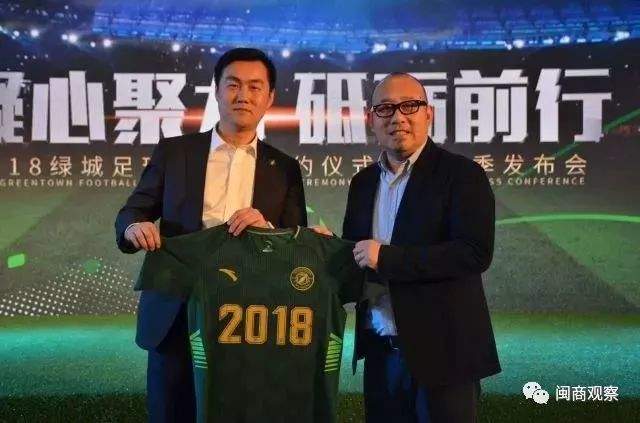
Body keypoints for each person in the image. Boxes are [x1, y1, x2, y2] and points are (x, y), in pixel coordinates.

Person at [114, 47, 307, 423]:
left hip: (251, 318)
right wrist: (134, 226)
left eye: (255, 87)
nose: (243, 95)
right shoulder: (175, 152)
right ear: (216, 91)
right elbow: (133, 211)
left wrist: (269, 231)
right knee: (171, 412)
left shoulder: (284, 168)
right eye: (233, 84)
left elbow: (295, 243)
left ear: (269, 98)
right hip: (177, 312)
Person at [342, 72, 501, 422]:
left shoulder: (463, 175)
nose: (398, 117)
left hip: (445, 356)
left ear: (428, 114)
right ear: (371, 119)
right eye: (385, 108)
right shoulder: (362, 183)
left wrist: (387, 257)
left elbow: (474, 252)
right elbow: (357, 256)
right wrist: (326, 251)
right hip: (381, 352)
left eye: (409, 106)